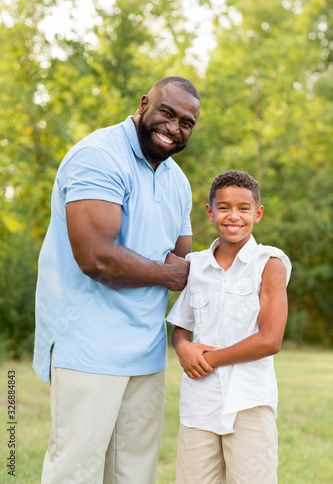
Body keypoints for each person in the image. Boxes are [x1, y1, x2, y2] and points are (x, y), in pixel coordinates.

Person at [33, 76, 201, 484]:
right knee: (76, 472)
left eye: (186, 122)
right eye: (167, 112)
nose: (174, 128)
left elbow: (181, 257)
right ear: (144, 104)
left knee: (134, 475)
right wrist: (164, 272)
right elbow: (97, 258)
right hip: (88, 345)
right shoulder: (99, 155)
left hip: (146, 350)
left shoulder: (177, 180)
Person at [167, 170, 292, 484]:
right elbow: (181, 327)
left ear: (257, 214)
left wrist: (209, 359)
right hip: (199, 403)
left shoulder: (270, 263)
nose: (233, 216)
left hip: (249, 400)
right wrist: (182, 347)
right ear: (210, 213)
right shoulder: (195, 265)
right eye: (223, 208)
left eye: (243, 208)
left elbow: (270, 339)